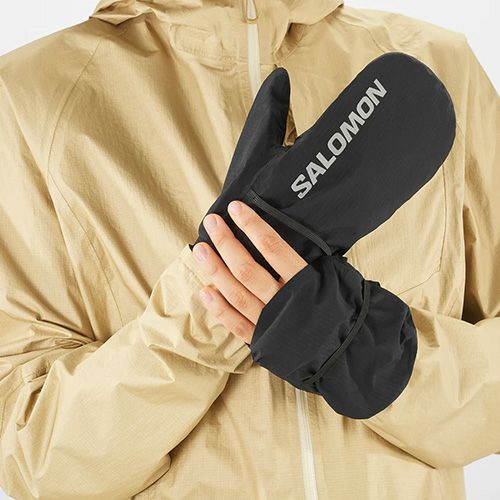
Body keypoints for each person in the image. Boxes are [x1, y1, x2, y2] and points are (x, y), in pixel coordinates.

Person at [0, 0, 498, 498]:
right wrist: (212, 306)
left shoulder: (438, 66)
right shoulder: (29, 98)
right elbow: (33, 466)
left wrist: (367, 352)